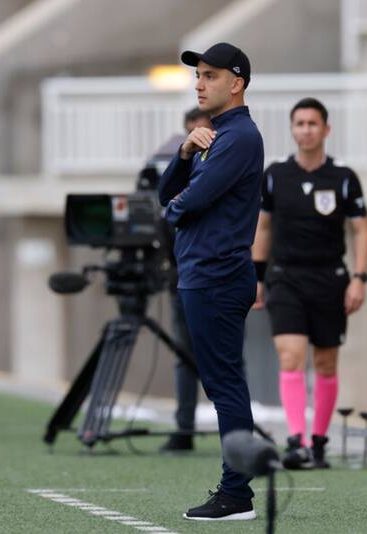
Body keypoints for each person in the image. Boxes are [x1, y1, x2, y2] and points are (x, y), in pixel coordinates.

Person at [158, 42, 263, 521]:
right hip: (205, 274)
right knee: (222, 383)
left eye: (210, 75)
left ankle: (237, 493)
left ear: (236, 83)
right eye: (197, 75)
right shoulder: (211, 134)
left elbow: (184, 203)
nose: (199, 83)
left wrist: (174, 207)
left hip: (217, 275)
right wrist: (183, 151)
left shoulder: (238, 137)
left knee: (225, 385)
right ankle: (236, 487)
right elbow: (168, 191)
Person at [252, 97, 367, 470]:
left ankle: (319, 442)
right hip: (285, 276)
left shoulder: (344, 178)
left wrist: (360, 277)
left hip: (330, 278)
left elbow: (361, 229)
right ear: (292, 129)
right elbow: (263, 226)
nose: (306, 130)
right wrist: (255, 276)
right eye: (299, 123)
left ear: (326, 129)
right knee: (290, 357)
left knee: (325, 362)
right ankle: (296, 442)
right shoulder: (274, 175)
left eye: (312, 124)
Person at [160, 107, 212, 454]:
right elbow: (164, 207)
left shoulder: (225, 163)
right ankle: (184, 427)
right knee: (183, 352)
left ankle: (237, 430)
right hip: (180, 272)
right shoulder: (171, 162)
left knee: (225, 355)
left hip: (214, 271)